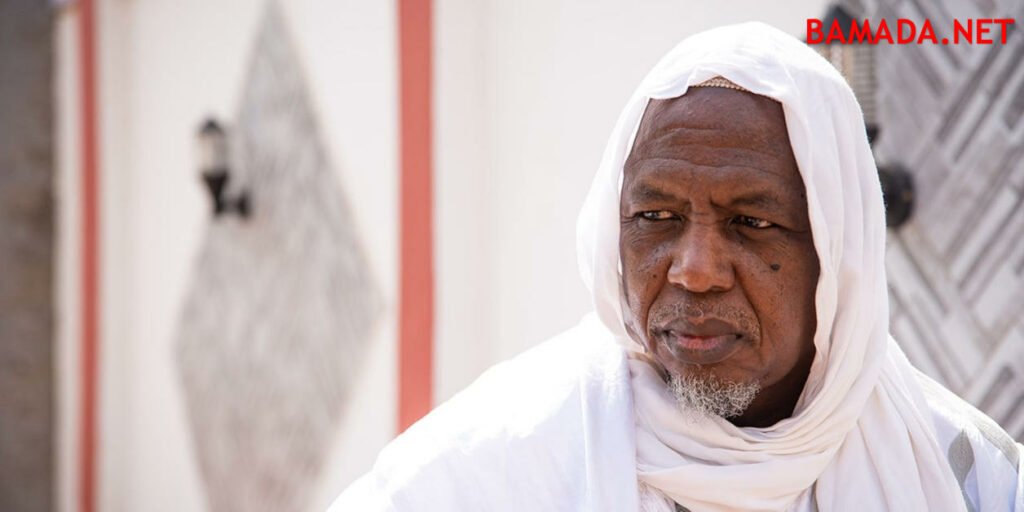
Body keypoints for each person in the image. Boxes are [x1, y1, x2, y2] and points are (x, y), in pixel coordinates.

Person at [330, 22, 1023, 511]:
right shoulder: (495, 466)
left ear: (838, 257)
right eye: (655, 217)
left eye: (752, 223)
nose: (694, 271)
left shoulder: (963, 475)